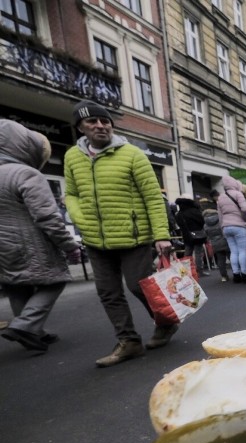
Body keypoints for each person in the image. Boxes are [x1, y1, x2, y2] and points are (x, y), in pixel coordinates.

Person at [63, 100, 175, 367]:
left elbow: (152, 197)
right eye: (93, 122)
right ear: (81, 127)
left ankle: (166, 322)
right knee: (108, 292)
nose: (100, 126)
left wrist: (162, 235)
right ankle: (129, 341)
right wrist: (81, 219)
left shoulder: (132, 154)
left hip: (133, 236)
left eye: (105, 122)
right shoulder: (72, 157)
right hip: (95, 238)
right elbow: (72, 194)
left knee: (139, 285)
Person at [0, 119, 82, 353]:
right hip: (29, 243)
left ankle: (33, 332)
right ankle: (25, 325)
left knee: (16, 284)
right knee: (55, 280)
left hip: (2, 247)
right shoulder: (26, 174)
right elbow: (47, 216)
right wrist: (68, 245)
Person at [217, 175, 246, 283]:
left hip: (226, 227)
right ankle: (245, 274)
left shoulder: (220, 197)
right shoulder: (238, 194)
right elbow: (245, 209)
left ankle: (236, 275)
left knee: (233, 252)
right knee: (242, 251)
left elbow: (220, 215)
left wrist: (222, 227)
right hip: (239, 226)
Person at [174, 194, 209, 276]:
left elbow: (179, 224)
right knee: (198, 253)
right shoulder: (194, 211)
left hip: (186, 235)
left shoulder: (179, 213)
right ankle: (200, 271)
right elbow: (201, 221)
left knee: (187, 254)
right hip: (198, 235)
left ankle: (185, 272)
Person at [204, 191, 231, 282]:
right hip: (225, 240)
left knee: (220, 260)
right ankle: (237, 273)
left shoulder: (206, 224)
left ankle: (223, 276)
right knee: (231, 256)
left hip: (215, 243)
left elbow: (206, 234)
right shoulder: (221, 219)